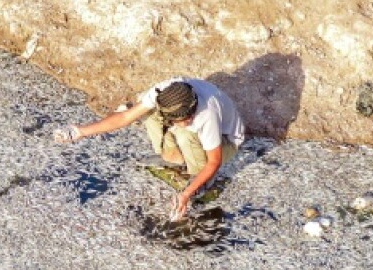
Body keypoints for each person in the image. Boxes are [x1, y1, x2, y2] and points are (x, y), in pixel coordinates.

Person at [53, 78, 245, 221]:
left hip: (227, 141)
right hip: (188, 130)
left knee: (185, 135)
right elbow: (124, 118)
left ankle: (201, 183)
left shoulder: (205, 115)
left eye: (188, 117)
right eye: (182, 119)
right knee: (148, 114)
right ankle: (177, 156)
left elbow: (215, 161)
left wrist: (187, 193)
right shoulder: (162, 93)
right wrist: (79, 131)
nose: (188, 121)